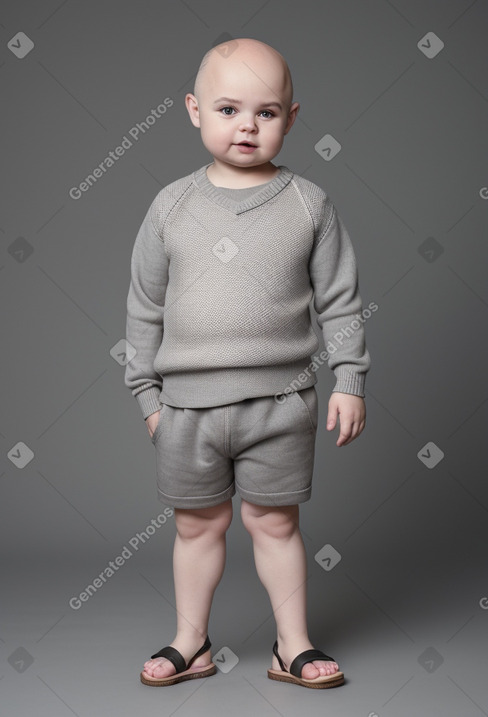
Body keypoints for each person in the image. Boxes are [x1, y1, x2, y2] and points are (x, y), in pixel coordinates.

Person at [124, 37, 371, 689]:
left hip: (281, 403)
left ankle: (292, 643)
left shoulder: (308, 204)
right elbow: (145, 306)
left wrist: (350, 377)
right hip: (187, 409)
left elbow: (341, 300)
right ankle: (191, 640)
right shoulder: (171, 206)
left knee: (276, 524)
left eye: (266, 112)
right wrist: (148, 397)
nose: (247, 125)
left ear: (291, 119)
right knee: (197, 526)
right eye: (230, 108)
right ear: (194, 110)